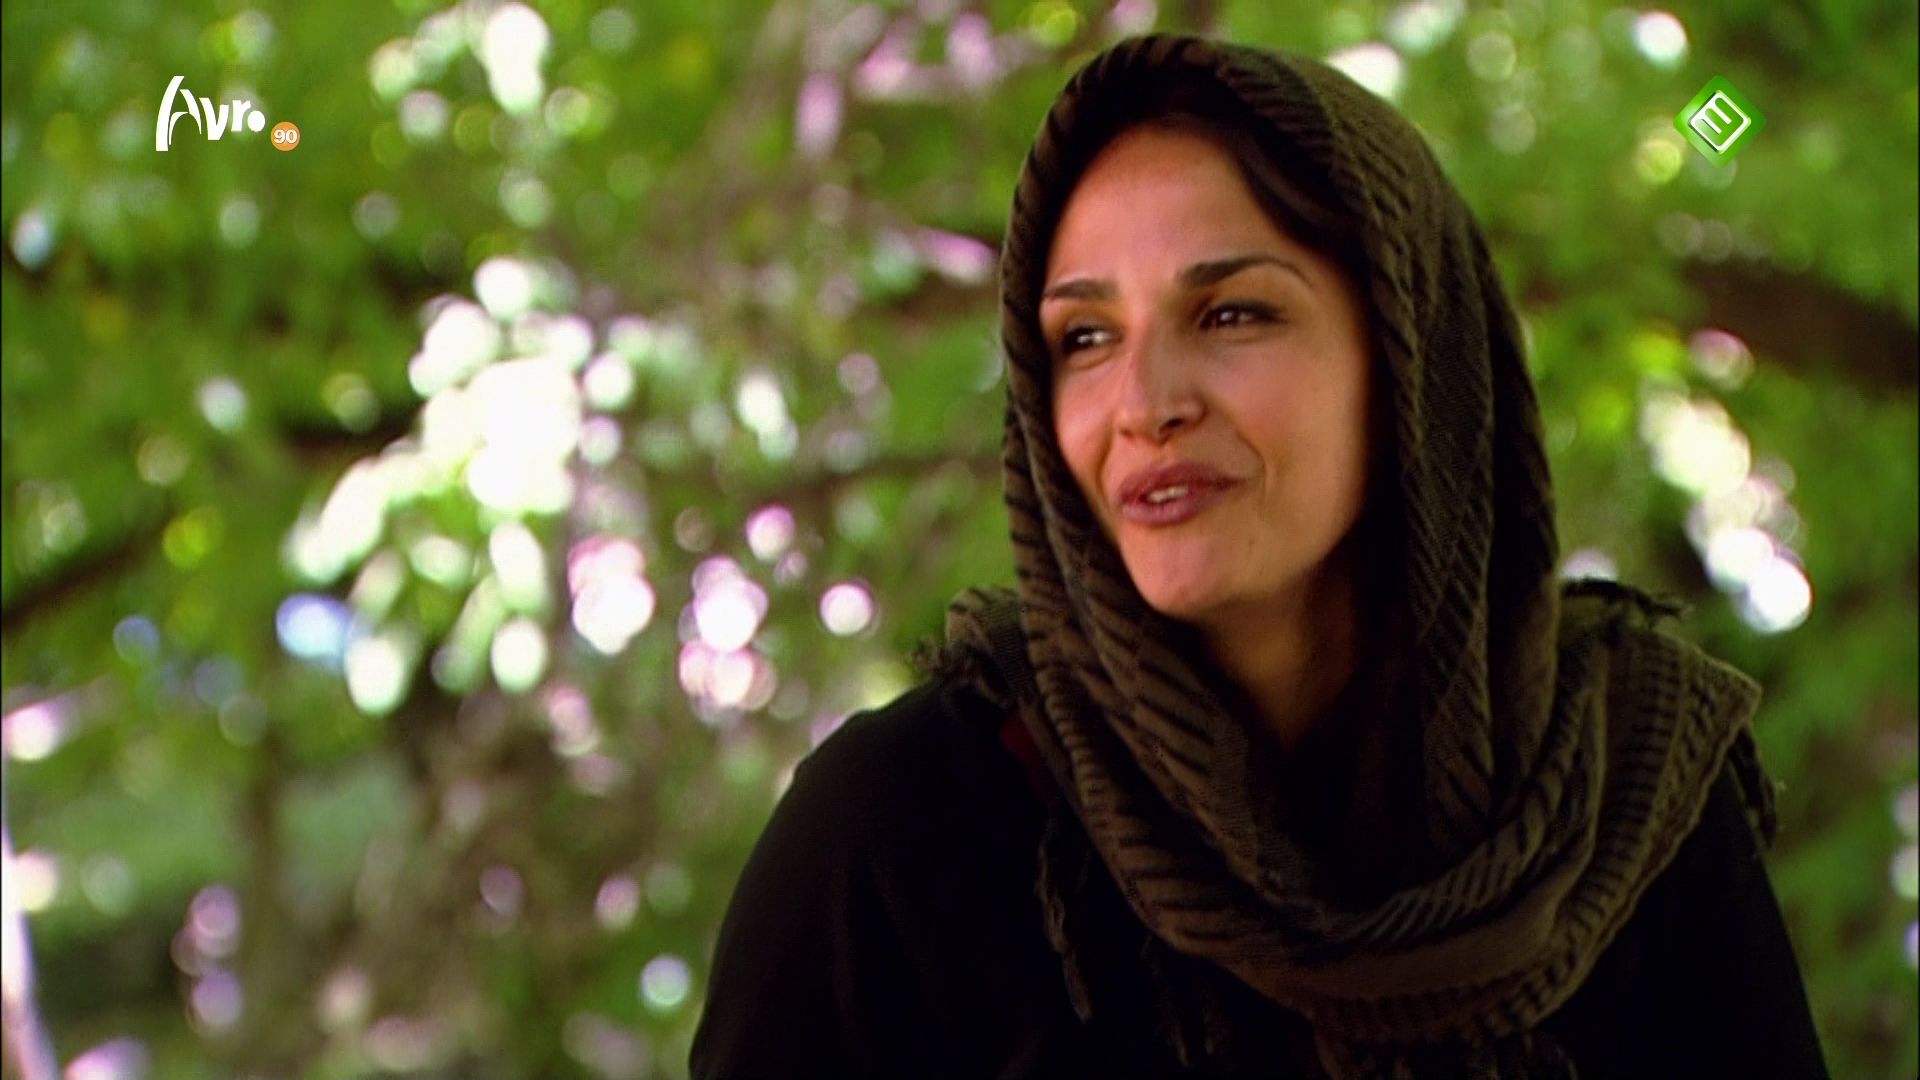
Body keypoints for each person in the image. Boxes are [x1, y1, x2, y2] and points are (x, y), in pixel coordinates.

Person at [690, 33, 1828, 1079]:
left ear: (1409, 352)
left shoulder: (1618, 786)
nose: (1145, 404)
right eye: (1085, 337)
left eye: (1232, 313)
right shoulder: (901, 837)